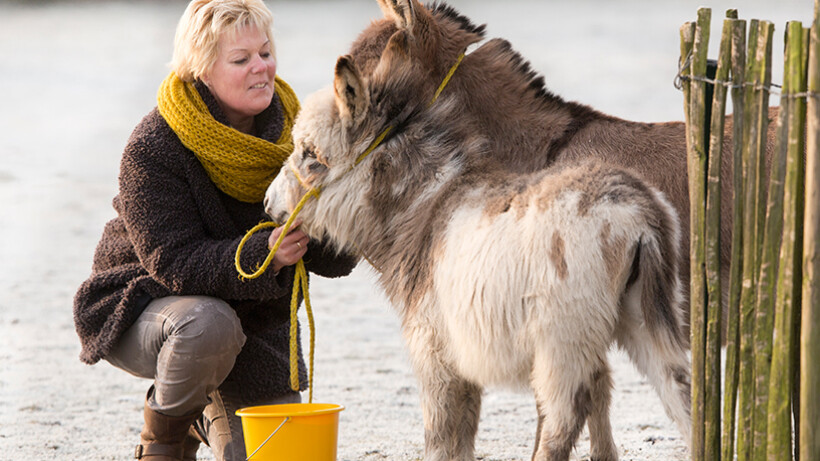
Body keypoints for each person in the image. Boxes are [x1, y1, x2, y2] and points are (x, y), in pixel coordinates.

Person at [72, 1, 357, 459]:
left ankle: (203, 412)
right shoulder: (154, 145)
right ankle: (165, 441)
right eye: (241, 60)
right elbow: (174, 262)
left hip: (254, 327)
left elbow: (335, 263)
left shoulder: (300, 133)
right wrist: (267, 252)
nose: (261, 68)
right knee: (208, 324)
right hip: (143, 304)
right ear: (201, 70)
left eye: (265, 53)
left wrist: (330, 217)